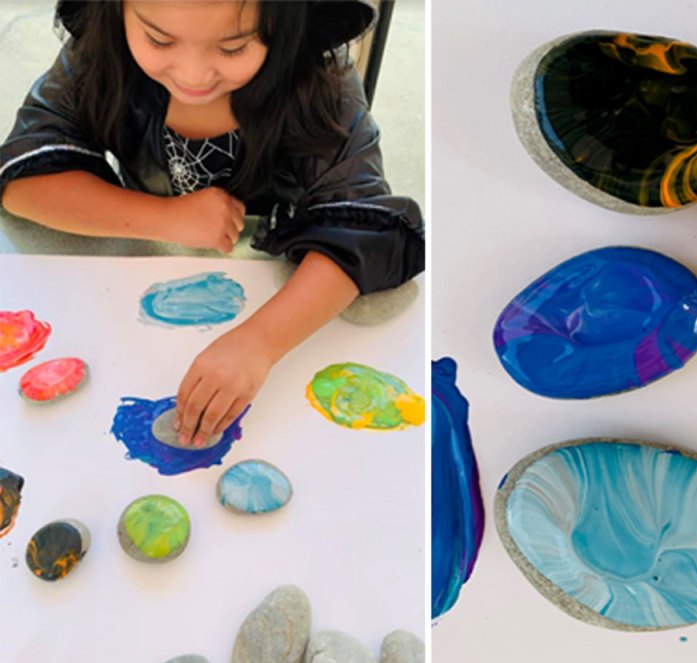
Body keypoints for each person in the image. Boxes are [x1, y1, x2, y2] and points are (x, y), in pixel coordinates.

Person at [0, 0, 424, 446]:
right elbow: (22, 182)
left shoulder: (319, 80)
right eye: (159, 40)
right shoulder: (96, 56)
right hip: (135, 286)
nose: (193, 75)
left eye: (233, 47)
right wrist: (166, 219)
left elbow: (367, 229)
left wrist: (259, 343)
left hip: (283, 298)